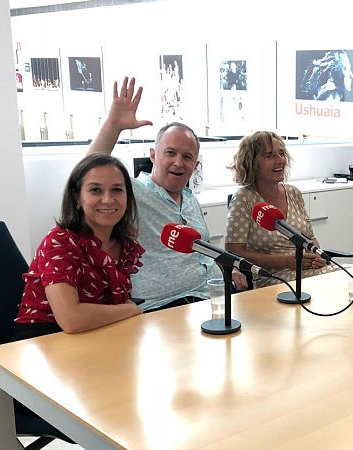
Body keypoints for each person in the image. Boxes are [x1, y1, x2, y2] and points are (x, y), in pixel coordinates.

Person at [88, 76, 246, 312]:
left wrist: (226, 267)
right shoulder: (133, 192)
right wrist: (113, 125)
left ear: (195, 165)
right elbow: (88, 172)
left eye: (187, 157)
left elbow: (202, 249)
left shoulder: (189, 197)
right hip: (165, 306)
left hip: (212, 295)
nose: (178, 163)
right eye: (170, 153)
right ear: (153, 155)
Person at [12, 154, 143, 340]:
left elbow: (116, 303)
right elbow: (71, 319)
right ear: (77, 198)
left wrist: (127, 310)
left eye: (117, 190)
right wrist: (130, 310)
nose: (108, 199)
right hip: (43, 338)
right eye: (96, 190)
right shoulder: (59, 242)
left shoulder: (125, 243)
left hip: (96, 331)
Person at [224, 131, 334, 286]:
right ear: (251, 162)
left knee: (352, 277)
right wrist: (286, 261)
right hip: (272, 278)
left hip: (310, 272)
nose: (280, 160)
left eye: (281, 153)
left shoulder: (293, 193)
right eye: (269, 155)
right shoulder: (244, 198)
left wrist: (317, 257)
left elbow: (310, 238)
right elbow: (233, 252)